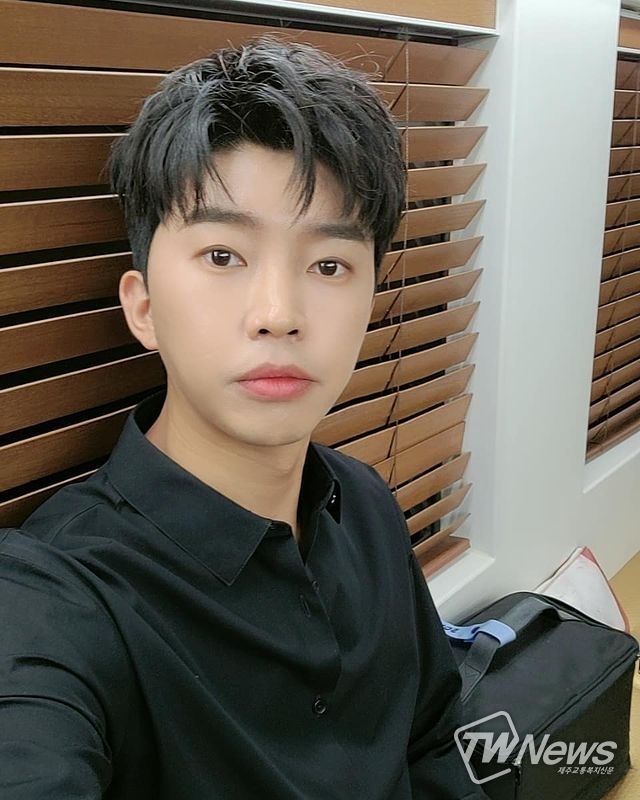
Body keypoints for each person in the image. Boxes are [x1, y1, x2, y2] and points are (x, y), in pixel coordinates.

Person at [0, 37, 486, 799]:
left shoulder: (365, 502)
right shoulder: (57, 597)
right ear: (144, 308)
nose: (279, 313)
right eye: (223, 256)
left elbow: (431, 741)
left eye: (329, 265)